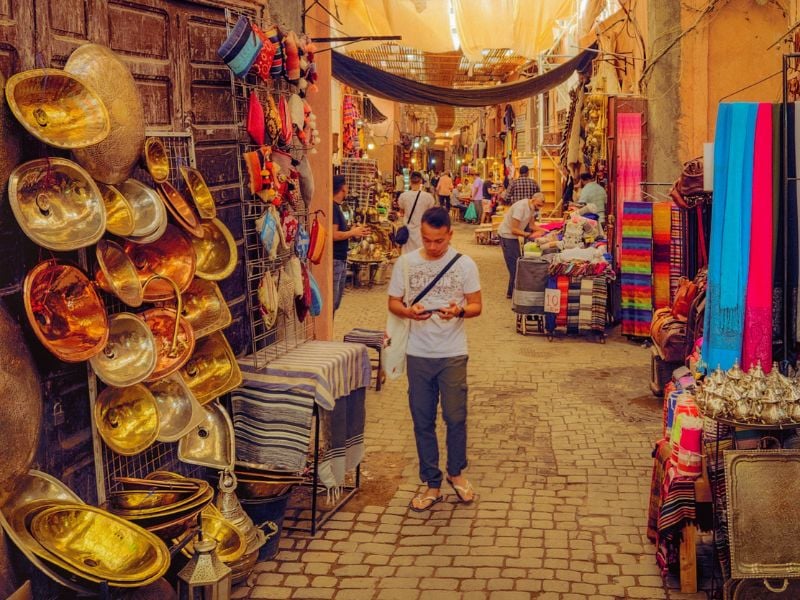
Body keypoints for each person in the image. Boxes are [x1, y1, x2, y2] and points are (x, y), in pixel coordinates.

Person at [387, 206, 482, 512]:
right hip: (418, 353)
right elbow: (393, 303)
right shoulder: (406, 264)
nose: (432, 246)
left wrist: (460, 311)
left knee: (456, 417)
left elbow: (477, 305)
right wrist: (408, 311)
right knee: (422, 420)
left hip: (453, 352)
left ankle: (456, 473)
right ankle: (432, 483)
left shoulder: (465, 265)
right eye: (427, 239)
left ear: (450, 235)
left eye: (438, 241)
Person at [497, 193, 547, 299]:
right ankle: (512, 293)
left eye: (540, 207)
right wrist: (529, 235)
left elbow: (532, 225)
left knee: (518, 264)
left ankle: (513, 292)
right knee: (514, 267)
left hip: (512, 236)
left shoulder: (532, 208)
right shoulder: (521, 207)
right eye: (538, 205)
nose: (538, 208)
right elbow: (514, 230)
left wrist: (545, 230)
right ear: (533, 200)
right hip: (507, 236)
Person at [332, 175, 369, 312]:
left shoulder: (337, 207)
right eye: (346, 185)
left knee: (335, 303)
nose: (348, 188)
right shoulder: (333, 208)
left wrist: (353, 231)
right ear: (343, 188)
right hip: (335, 260)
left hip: (340, 259)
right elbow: (334, 235)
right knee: (333, 303)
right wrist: (352, 233)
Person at [397, 171, 437, 254]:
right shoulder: (428, 197)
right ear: (421, 182)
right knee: (421, 256)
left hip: (408, 232)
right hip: (422, 232)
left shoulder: (403, 196)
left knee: (408, 258)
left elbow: (401, 212)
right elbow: (431, 213)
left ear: (410, 182)